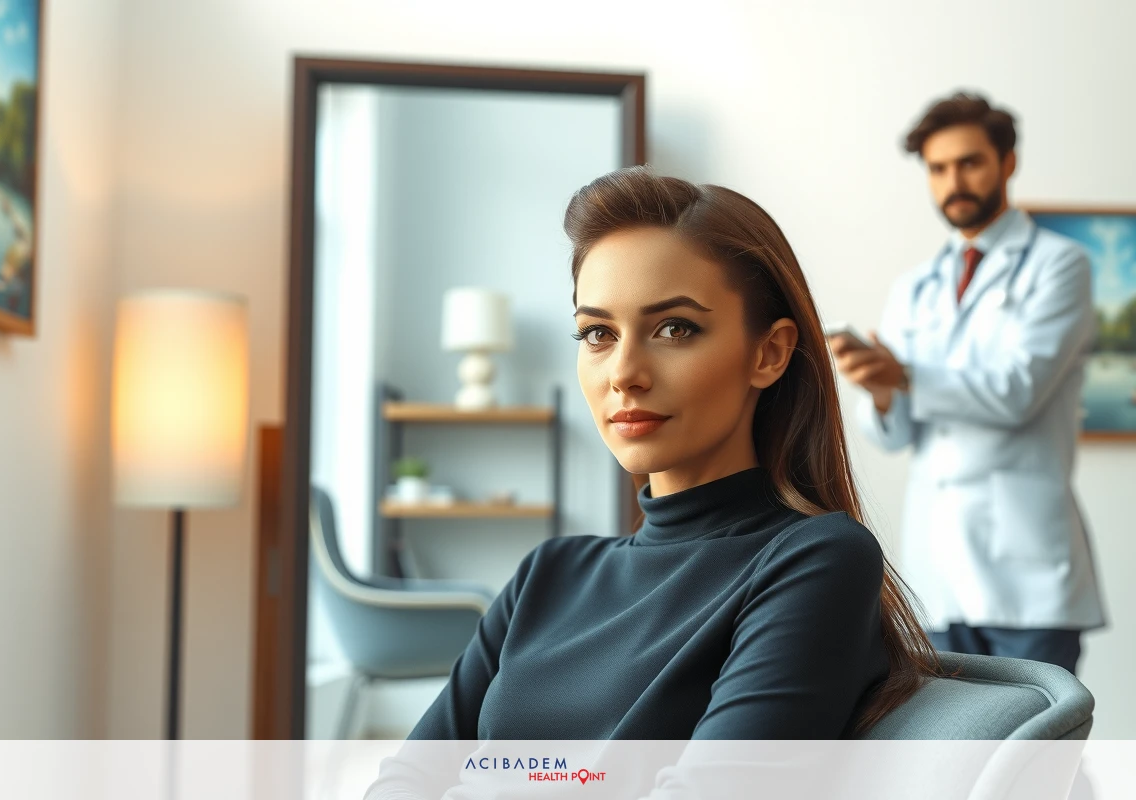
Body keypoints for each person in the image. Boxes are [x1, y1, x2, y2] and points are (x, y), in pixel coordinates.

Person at [370, 167, 938, 772]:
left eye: (673, 328)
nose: (624, 373)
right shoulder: (548, 574)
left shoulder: (815, 561)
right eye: (597, 333)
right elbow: (409, 779)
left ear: (769, 352)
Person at [830, 92, 1106, 674]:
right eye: (937, 169)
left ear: (1008, 162)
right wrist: (879, 389)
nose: (953, 182)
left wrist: (905, 374)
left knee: (1040, 732)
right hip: (939, 573)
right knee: (949, 733)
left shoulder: (1061, 265)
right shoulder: (915, 287)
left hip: (1029, 578)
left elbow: (1017, 392)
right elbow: (895, 435)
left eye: (969, 163)